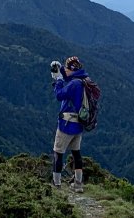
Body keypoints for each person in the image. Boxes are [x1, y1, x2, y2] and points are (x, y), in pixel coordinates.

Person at [50, 56, 88, 193]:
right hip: (79, 124)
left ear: (71, 69)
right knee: (76, 153)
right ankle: (78, 184)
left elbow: (59, 95)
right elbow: (69, 79)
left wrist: (59, 80)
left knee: (58, 153)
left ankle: (57, 184)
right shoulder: (83, 80)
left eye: (66, 68)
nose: (65, 70)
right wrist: (59, 69)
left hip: (66, 124)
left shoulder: (73, 84)